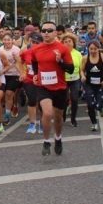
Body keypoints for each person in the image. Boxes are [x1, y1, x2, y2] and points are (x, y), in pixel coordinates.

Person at [32, 21, 74, 156]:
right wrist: (34, 75)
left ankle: (58, 138)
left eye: (49, 30)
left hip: (60, 87)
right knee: (47, 113)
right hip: (43, 87)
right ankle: (46, 141)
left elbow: (71, 69)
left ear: (55, 33)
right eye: (43, 30)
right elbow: (33, 62)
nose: (46, 33)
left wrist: (60, 61)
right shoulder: (36, 49)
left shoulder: (63, 49)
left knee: (58, 117)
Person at [81, 40, 103, 132]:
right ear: (88, 49)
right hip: (89, 84)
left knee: (98, 105)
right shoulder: (85, 58)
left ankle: (101, 107)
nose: (93, 51)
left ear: (98, 49)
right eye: (91, 49)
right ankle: (94, 123)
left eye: (95, 49)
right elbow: (81, 69)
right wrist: (82, 76)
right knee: (90, 105)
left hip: (101, 84)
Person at [19, 33, 43, 134]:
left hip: (42, 81)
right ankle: (32, 123)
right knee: (32, 100)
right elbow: (19, 61)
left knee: (41, 103)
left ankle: (42, 123)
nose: (34, 44)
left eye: (37, 43)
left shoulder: (44, 52)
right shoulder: (25, 52)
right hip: (29, 80)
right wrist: (22, 73)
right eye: (32, 42)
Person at [0, 33, 21, 124]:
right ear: (2, 41)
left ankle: (7, 116)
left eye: (8, 40)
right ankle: (11, 107)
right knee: (2, 96)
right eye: (5, 40)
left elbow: (19, 62)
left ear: (12, 41)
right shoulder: (0, 50)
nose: (7, 41)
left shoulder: (16, 50)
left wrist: (14, 65)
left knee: (9, 94)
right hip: (3, 75)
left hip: (14, 75)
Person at [61, 33, 82, 127]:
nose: (68, 43)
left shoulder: (78, 54)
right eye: (65, 42)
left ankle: (73, 118)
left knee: (74, 99)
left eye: (69, 41)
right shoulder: (61, 54)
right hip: (64, 79)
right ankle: (63, 116)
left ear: (73, 42)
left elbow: (81, 68)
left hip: (75, 79)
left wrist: (82, 79)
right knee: (64, 99)